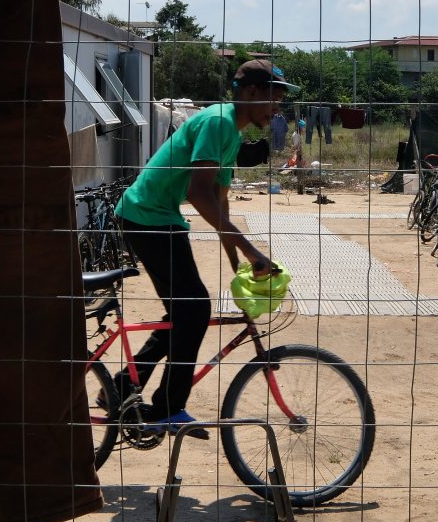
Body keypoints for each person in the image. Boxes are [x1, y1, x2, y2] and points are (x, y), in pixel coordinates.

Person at [113, 60, 300, 432]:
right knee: (196, 310)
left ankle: (120, 389)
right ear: (249, 92)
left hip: (159, 217)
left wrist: (237, 264)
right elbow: (200, 195)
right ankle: (167, 408)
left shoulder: (232, 132)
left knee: (183, 314)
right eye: (273, 97)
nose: (278, 108)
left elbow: (221, 199)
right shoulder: (217, 122)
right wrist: (252, 252)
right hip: (148, 216)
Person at [287, 118, 308, 194]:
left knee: (300, 170)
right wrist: (296, 152)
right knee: (298, 170)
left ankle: (300, 187)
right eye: (303, 127)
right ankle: (299, 187)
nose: (304, 128)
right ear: (300, 127)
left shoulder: (298, 134)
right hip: (297, 154)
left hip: (298, 154)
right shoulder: (296, 135)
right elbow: (295, 146)